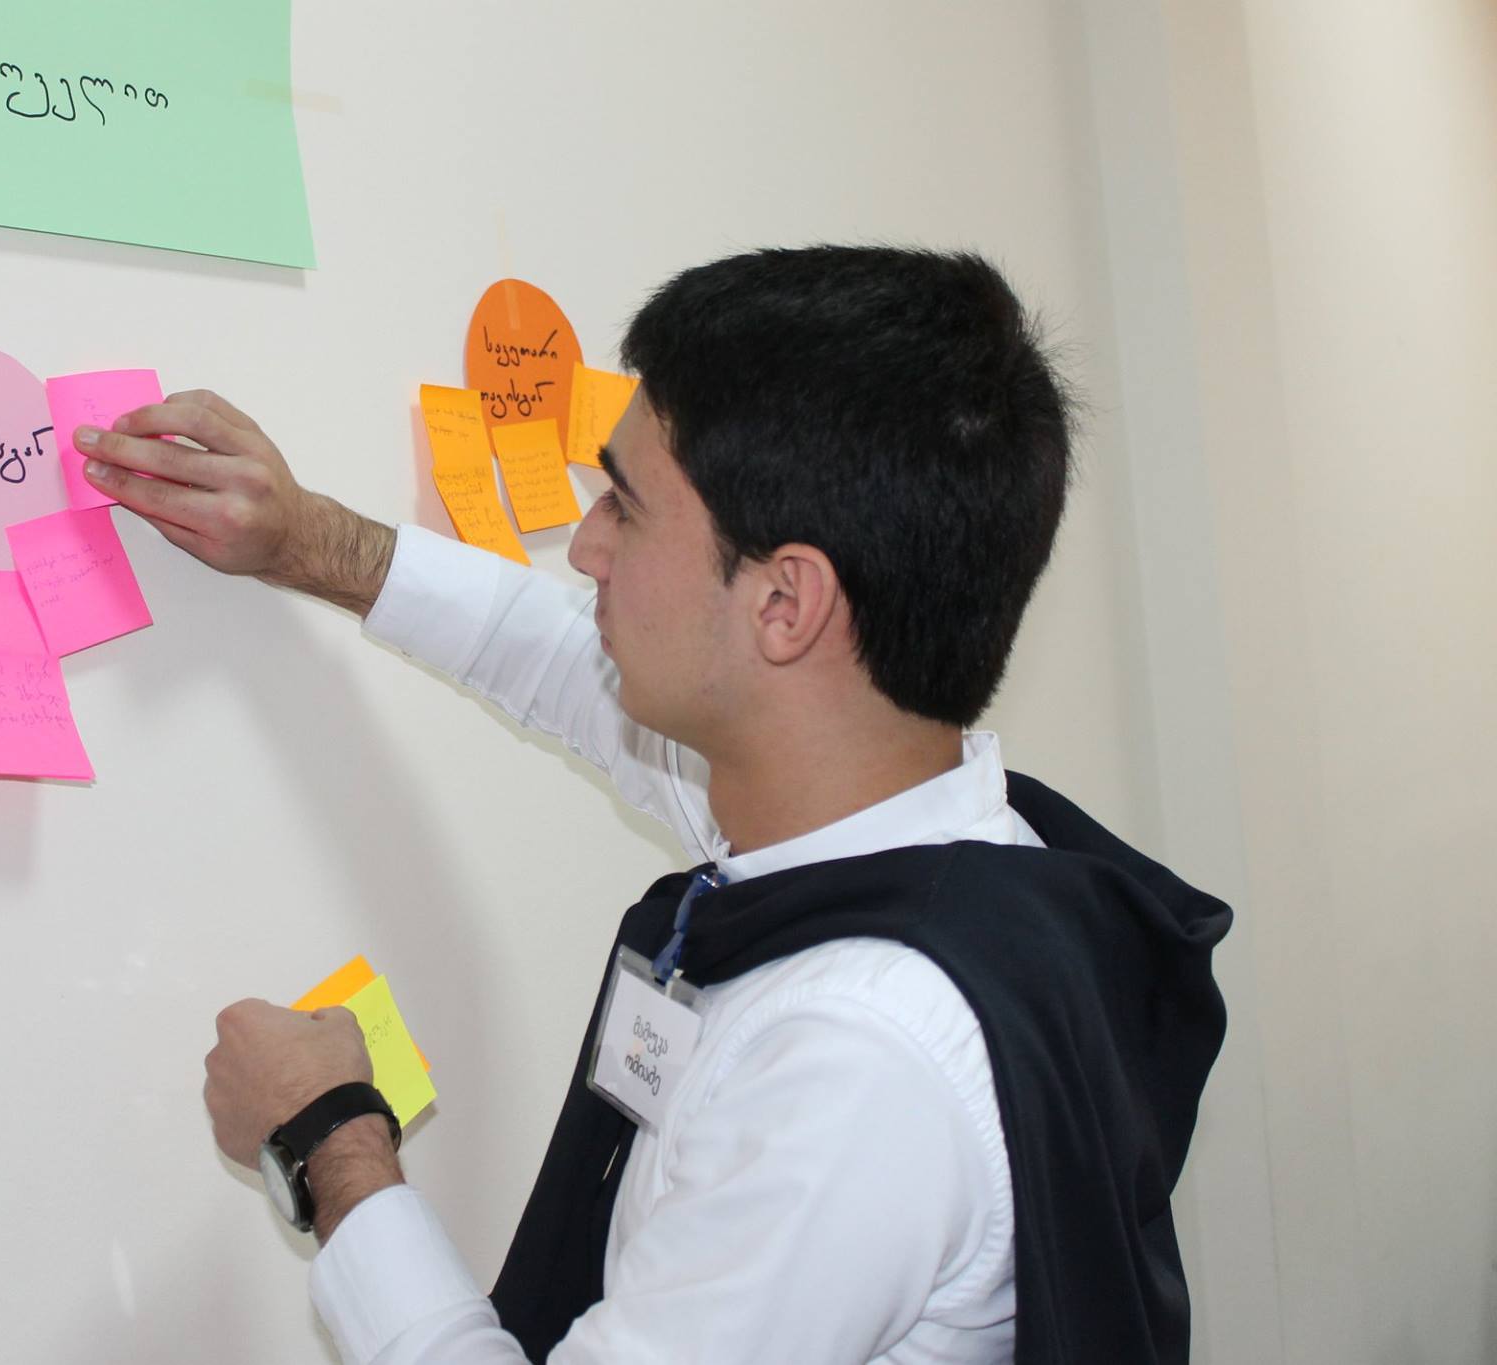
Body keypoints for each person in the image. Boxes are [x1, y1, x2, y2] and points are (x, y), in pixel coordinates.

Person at [72, 245, 1232, 1364]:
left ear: (785, 604)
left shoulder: (857, 1066)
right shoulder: (872, 819)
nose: (583, 549)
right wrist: (305, 540)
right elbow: (552, 658)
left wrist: (330, 1142)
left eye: (623, 507)